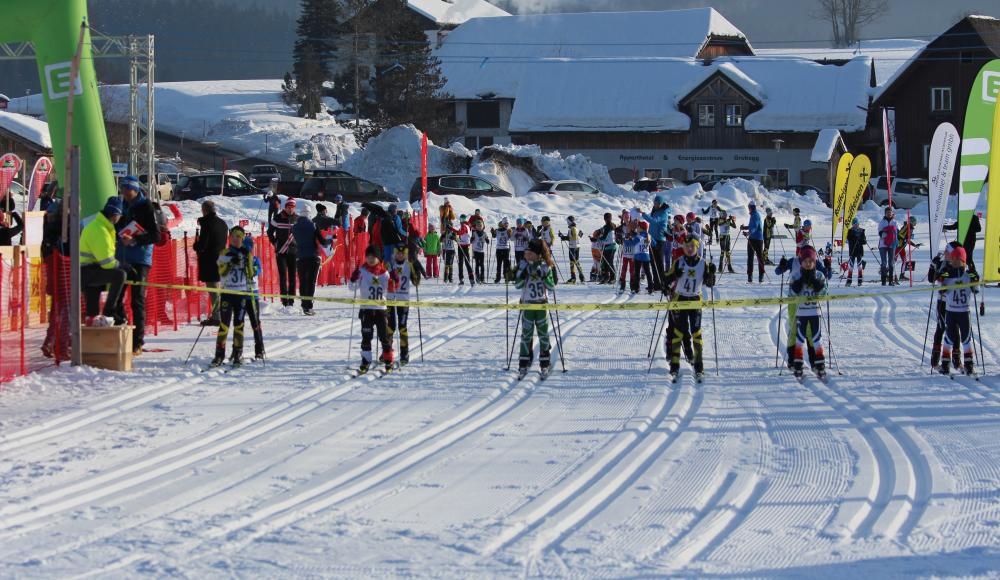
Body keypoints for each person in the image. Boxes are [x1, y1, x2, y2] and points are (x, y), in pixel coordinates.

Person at [115, 177, 162, 355]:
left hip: (140, 259)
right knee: (116, 298)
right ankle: (123, 330)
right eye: (122, 189)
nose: (125, 193)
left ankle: (137, 341)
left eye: (128, 189)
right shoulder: (121, 204)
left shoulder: (146, 207)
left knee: (137, 300)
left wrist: (136, 240)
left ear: (135, 190)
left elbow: (156, 236)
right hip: (121, 257)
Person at [660, 237, 715, 382]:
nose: (689, 249)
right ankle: (675, 366)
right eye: (686, 246)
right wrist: (674, 275)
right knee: (678, 332)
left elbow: (709, 284)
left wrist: (712, 274)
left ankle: (699, 367)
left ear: (697, 247)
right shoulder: (679, 261)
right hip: (680, 299)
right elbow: (665, 280)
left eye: (692, 246)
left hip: (695, 299)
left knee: (696, 333)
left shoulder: (703, 263)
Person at [80, 197, 128, 327]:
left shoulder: (97, 226)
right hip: (89, 272)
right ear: (115, 215)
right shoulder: (101, 230)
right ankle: (109, 311)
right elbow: (107, 262)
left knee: (92, 316)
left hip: (87, 273)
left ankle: (92, 343)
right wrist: (122, 266)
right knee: (120, 275)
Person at [514, 238, 556, 379]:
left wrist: (543, 276)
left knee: (543, 334)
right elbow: (517, 285)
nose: (527, 255)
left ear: (538, 254)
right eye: (526, 253)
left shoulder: (545, 266)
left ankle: (545, 363)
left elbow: (551, 287)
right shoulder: (523, 265)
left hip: (542, 305)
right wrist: (520, 274)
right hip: (527, 306)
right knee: (526, 335)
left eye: (530, 253)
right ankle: (524, 362)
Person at [349, 245, 394, 373]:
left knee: (384, 336)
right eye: (368, 256)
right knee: (366, 336)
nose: (370, 259)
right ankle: (366, 361)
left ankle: (388, 360)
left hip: (380, 309)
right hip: (366, 309)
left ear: (378, 258)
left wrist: (393, 281)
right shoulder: (362, 271)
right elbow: (352, 288)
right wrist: (353, 279)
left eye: (373, 257)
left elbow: (391, 291)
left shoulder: (384, 273)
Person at [936, 245, 979, 376]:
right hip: (951, 312)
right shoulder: (948, 276)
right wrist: (941, 277)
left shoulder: (967, 276)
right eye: (954, 260)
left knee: (966, 339)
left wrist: (975, 276)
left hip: (964, 313)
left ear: (964, 261)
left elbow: (976, 289)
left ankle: (969, 365)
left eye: (958, 260)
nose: (955, 263)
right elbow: (940, 287)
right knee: (949, 337)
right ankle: (945, 364)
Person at [212, 226, 252, 367]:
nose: (235, 239)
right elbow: (222, 272)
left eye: (238, 237)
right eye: (233, 236)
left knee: (239, 324)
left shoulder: (246, 253)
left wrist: (248, 260)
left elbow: (252, 273)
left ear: (242, 239)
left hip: (241, 294)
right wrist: (230, 262)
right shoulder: (224, 252)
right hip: (227, 294)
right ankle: (219, 354)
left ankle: (237, 353)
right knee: (224, 324)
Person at [787, 246, 828, 380]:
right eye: (805, 261)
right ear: (801, 261)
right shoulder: (796, 275)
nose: (808, 263)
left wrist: (817, 284)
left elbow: (824, 294)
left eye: (811, 261)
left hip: (814, 313)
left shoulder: (819, 275)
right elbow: (791, 293)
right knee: (799, 339)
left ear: (814, 262)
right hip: (801, 313)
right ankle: (797, 364)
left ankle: (819, 364)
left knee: (816, 338)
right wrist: (800, 283)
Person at [928, 242, 964, 371]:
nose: (946, 254)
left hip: (955, 303)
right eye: (946, 252)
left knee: (956, 329)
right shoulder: (942, 263)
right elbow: (931, 279)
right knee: (941, 327)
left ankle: (956, 361)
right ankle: (934, 360)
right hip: (942, 302)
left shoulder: (959, 264)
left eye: (948, 252)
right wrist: (933, 266)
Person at [387, 245, 425, 365]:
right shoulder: (390, 265)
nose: (400, 255)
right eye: (398, 253)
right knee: (390, 327)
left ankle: (404, 353)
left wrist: (417, 272)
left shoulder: (408, 265)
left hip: (403, 300)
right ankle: (387, 352)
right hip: (390, 300)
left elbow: (416, 282)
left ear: (406, 254)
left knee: (402, 327)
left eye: (403, 253)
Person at [41, 200, 69, 360]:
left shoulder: (48, 227)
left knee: (58, 307)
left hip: (53, 271)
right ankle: (60, 345)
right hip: (63, 271)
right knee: (65, 308)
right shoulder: (61, 229)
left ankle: (51, 342)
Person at [194, 200, 228, 325]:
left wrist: (196, 245)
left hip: (210, 260)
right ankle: (220, 314)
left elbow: (203, 245)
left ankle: (216, 316)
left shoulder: (207, 224)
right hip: (221, 259)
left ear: (204, 210)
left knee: (213, 290)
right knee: (217, 288)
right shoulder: (223, 223)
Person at [292, 214, 330, 316]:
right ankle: (309, 306)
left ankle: (304, 305)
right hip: (313, 256)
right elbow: (322, 241)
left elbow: (293, 241)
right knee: (311, 281)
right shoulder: (313, 225)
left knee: (303, 281)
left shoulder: (294, 227)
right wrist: (329, 241)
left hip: (300, 257)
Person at [268, 198, 298, 307]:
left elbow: (300, 234)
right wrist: (274, 242)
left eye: (292, 208)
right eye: (288, 207)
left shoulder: (297, 219)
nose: (290, 210)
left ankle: (292, 299)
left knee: (292, 276)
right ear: (285, 207)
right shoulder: (277, 218)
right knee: (283, 276)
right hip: (281, 252)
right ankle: (284, 300)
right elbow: (270, 232)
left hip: (294, 251)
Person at [242, 233, 266, 360]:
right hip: (240, 296)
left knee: (255, 322)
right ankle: (237, 351)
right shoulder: (239, 259)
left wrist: (250, 267)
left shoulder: (255, 259)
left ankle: (259, 349)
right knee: (238, 323)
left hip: (253, 296)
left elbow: (258, 270)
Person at [641, 195, 670, 291]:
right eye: (655, 203)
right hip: (652, 239)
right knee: (653, 262)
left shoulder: (664, 212)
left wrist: (643, 214)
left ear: (661, 203)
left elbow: (654, 221)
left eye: (657, 203)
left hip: (659, 240)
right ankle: (656, 283)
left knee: (659, 263)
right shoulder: (655, 210)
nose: (656, 205)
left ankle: (662, 284)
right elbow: (650, 217)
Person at [740, 201, 766, 284]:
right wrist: (744, 228)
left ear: (751, 207)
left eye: (749, 207)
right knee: (750, 258)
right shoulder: (753, 215)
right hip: (752, 238)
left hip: (757, 240)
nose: (748, 209)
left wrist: (748, 233)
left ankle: (761, 275)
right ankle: (750, 276)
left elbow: (754, 227)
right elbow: (751, 226)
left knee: (759, 257)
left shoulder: (755, 215)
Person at [895, 215, 922, 283]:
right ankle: (889, 274)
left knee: (904, 260)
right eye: (914, 221)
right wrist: (904, 239)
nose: (915, 223)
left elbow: (907, 239)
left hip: (902, 247)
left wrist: (914, 245)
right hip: (898, 246)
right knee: (893, 260)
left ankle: (902, 275)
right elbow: (900, 234)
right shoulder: (907, 226)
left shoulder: (911, 228)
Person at [558, 216, 584, 284]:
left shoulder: (572, 229)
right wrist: (563, 237)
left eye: (567, 221)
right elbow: (580, 235)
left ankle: (573, 278)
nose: (567, 223)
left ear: (570, 222)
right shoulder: (576, 228)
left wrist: (563, 237)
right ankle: (581, 277)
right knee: (576, 261)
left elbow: (573, 237)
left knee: (572, 262)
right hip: (577, 246)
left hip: (573, 247)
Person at [594, 212, 618, 283]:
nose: (606, 219)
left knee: (609, 262)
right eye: (606, 218)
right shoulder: (609, 225)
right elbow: (602, 231)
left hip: (610, 246)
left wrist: (596, 239)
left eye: (607, 218)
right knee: (605, 262)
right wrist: (597, 233)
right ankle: (606, 277)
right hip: (607, 246)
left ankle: (613, 277)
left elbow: (604, 237)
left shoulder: (609, 226)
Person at [878, 206, 899, 286]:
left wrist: (897, 241)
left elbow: (897, 233)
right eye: (887, 212)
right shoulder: (882, 222)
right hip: (883, 244)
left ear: (892, 213)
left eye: (890, 212)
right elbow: (879, 232)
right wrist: (884, 234)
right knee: (884, 263)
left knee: (891, 263)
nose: (889, 214)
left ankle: (890, 281)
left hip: (892, 245)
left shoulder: (895, 222)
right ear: (885, 213)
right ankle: (883, 281)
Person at [633, 220, 654, 294]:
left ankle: (636, 288)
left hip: (638, 256)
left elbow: (634, 242)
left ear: (641, 228)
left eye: (638, 226)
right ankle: (651, 287)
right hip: (646, 256)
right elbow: (654, 243)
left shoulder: (640, 235)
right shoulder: (649, 235)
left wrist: (626, 240)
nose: (637, 228)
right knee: (648, 272)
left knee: (637, 272)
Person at [453, 213, 474, 285]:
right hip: (461, 245)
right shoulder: (463, 226)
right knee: (460, 263)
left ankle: (471, 279)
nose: (461, 221)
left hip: (465, 247)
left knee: (467, 263)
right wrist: (455, 238)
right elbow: (460, 236)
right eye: (461, 219)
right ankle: (461, 279)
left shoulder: (465, 226)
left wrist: (451, 228)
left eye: (463, 219)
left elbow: (460, 232)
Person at [845, 217, 867, 286]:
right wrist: (854, 239)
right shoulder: (850, 231)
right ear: (852, 225)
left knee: (859, 265)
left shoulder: (861, 231)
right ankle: (849, 280)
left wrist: (861, 240)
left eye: (857, 224)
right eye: (854, 224)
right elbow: (849, 239)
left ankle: (860, 279)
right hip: (852, 251)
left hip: (859, 251)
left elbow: (864, 241)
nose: (856, 225)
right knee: (851, 265)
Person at [619, 218, 638, 294]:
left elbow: (636, 243)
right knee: (623, 270)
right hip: (626, 255)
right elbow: (621, 242)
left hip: (632, 256)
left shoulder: (636, 235)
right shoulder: (625, 234)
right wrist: (620, 240)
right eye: (629, 227)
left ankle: (632, 286)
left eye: (632, 227)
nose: (630, 228)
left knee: (632, 271)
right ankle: (622, 285)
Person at [492, 218, 512, 283]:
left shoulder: (508, 230)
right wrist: (492, 232)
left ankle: (506, 277)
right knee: (499, 264)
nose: (506, 225)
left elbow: (510, 237)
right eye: (505, 223)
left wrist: (510, 233)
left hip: (506, 249)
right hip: (499, 249)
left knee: (506, 264)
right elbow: (494, 236)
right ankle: (498, 277)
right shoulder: (497, 230)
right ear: (502, 224)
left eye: (507, 223)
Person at [470, 217, 489, 284]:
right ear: (476, 227)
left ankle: (482, 278)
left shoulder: (484, 233)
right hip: (476, 251)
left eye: (480, 226)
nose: (479, 227)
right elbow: (471, 241)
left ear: (482, 226)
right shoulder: (474, 233)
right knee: (477, 265)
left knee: (482, 265)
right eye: (478, 226)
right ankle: (477, 278)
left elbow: (487, 240)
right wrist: (471, 239)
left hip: (482, 251)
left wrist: (487, 240)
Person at [441, 219, 457, 283]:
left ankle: (450, 277)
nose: (448, 228)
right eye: (447, 227)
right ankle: (445, 277)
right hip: (446, 250)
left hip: (452, 250)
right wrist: (443, 237)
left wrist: (453, 237)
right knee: (446, 264)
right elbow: (440, 240)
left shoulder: (453, 233)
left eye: (450, 227)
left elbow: (457, 240)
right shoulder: (445, 233)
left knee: (450, 264)